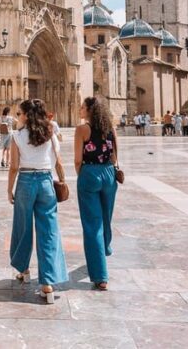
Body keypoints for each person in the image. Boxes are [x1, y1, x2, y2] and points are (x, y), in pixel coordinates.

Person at [8, 99, 68, 304]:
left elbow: (14, 166)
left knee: (23, 228)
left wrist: (9, 189)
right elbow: (58, 161)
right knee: (48, 231)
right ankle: (47, 284)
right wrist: (63, 181)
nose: (17, 117)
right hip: (45, 181)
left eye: (19, 114)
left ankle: (23, 270)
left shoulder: (17, 136)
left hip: (25, 182)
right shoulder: (49, 132)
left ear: (26, 115)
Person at [74, 97, 124, 291]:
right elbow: (114, 155)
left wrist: (84, 175)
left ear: (90, 111)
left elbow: (78, 160)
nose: (80, 109)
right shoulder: (110, 129)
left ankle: (100, 275)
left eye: (83, 107)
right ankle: (104, 248)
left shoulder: (82, 130)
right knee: (105, 217)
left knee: (92, 224)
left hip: (90, 173)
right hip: (109, 174)